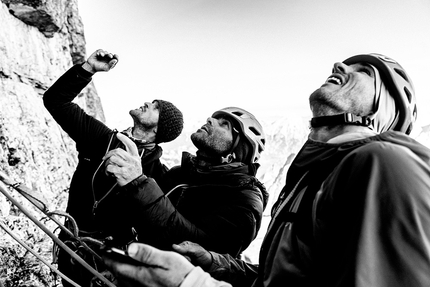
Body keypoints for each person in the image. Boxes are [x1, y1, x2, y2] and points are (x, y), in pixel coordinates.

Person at [104, 53, 430, 287]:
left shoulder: (385, 163)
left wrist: (193, 283)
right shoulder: (312, 178)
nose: (339, 65)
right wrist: (213, 262)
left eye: (363, 71)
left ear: (382, 106)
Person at [43, 49, 184, 287]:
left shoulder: (157, 178)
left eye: (156, 107)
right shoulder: (102, 140)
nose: (148, 102)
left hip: (109, 265)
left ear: (159, 130)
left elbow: (157, 233)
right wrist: (88, 69)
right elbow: (56, 101)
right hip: (72, 248)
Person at [104, 106, 269, 257]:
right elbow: (149, 197)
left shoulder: (246, 200)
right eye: (213, 118)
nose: (209, 120)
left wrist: (138, 183)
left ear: (234, 154)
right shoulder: (184, 173)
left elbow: (200, 246)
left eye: (224, 124)